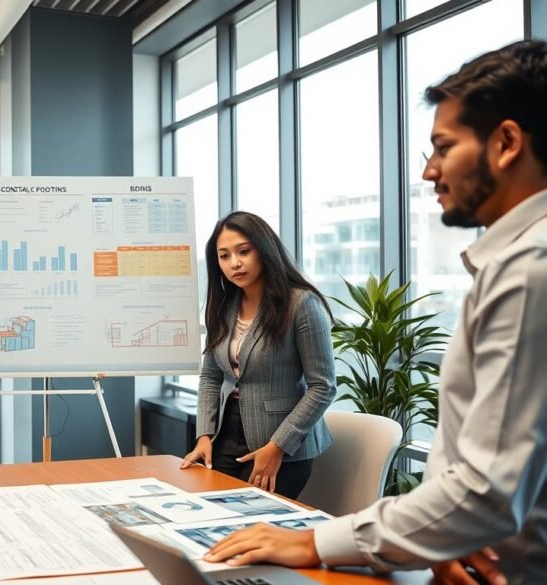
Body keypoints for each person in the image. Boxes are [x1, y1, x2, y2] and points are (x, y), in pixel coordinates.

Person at [203, 39, 547, 585]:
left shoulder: (529, 272)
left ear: (506, 143)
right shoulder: (510, 265)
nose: (430, 171)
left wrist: (315, 540)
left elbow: (484, 490)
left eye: (443, 147)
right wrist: (449, 535)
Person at [181, 211, 335, 499]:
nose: (234, 263)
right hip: (225, 436)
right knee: (209, 512)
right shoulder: (224, 306)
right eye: (224, 256)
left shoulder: (301, 304)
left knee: (251, 520)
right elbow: (211, 376)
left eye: (244, 251)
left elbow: (323, 386)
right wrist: (204, 435)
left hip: (282, 445)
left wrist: (277, 447)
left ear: (264, 250)